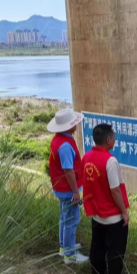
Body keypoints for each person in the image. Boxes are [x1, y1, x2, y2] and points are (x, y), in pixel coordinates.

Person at [83, 124, 132, 274]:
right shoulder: (110, 161)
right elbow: (115, 189)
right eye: (114, 137)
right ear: (108, 140)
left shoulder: (87, 157)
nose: (115, 140)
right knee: (115, 251)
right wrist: (124, 212)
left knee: (97, 247)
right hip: (112, 216)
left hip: (96, 213)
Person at [47, 108, 89, 264]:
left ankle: (64, 247)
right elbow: (68, 170)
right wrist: (75, 193)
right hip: (67, 190)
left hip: (60, 188)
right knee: (72, 220)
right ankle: (70, 255)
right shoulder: (65, 146)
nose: (76, 125)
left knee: (64, 218)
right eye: (74, 123)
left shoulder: (57, 140)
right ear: (67, 127)